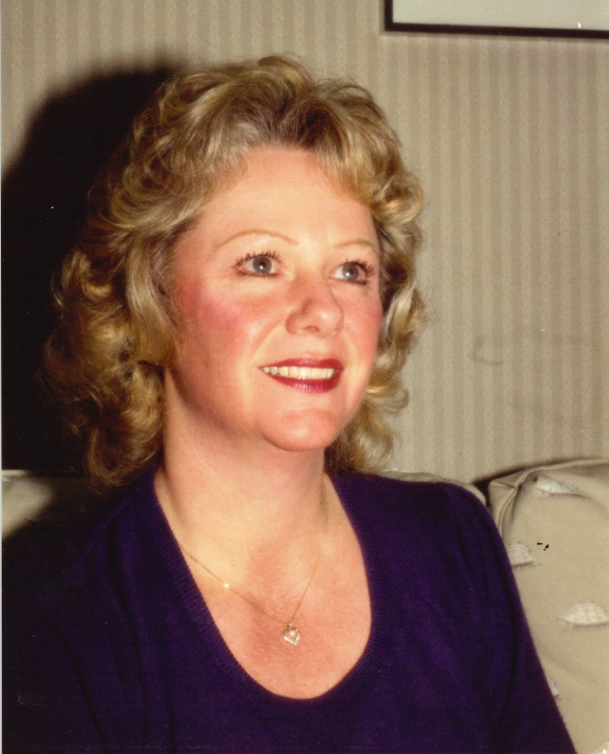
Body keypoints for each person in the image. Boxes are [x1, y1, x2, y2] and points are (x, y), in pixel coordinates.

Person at [3, 56, 574, 753]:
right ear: (149, 299)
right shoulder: (54, 616)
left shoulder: (451, 544)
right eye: (262, 263)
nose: (323, 310)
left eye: (351, 270)